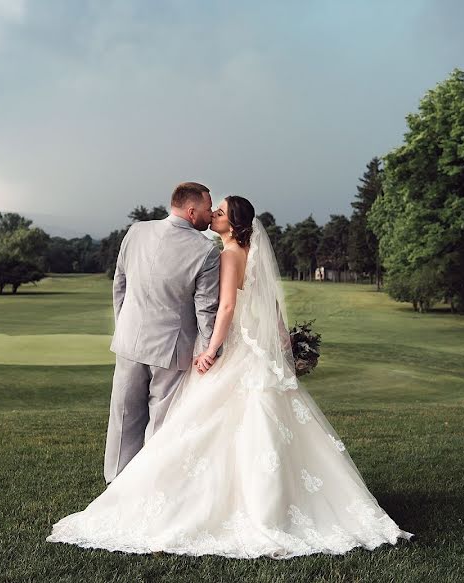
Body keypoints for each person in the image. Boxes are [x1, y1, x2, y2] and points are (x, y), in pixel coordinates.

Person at [47, 195, 413, 559]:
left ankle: (159, 492)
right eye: (211, 209)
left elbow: (224, 307)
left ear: (233, 224)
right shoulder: (248, 254)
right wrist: (284, 344)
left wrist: (210, 350)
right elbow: (270, 306)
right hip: (256, 353)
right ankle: (279, 502)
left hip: (235, 349)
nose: (213, 216)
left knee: (195, 424)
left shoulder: (226, 254)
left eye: (219, 212)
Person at [103, 181, 219, 484]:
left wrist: (125, 325)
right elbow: (206, 310)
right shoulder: (206, 250)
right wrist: (208, 352)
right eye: (208, 208)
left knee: (123, 418)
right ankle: (151, 487)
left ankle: (116, 484)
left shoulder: (136, 231)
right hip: (171, 350)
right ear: (192, 211)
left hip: (129, 342)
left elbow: (120, 283)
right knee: (161, 423)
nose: (211, 214)